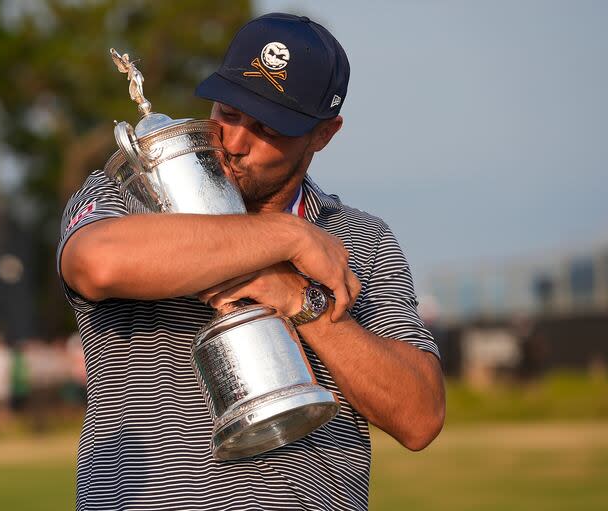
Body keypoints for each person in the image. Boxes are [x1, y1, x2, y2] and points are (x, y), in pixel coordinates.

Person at [58, 12, 445, 511]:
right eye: (229, 112)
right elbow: (97, 263)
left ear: (324, 134)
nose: (235, 143)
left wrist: (304, 304)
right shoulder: (131, 192)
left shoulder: (360, 238)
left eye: (268, 127)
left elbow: (420, 416)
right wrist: (286, 237)